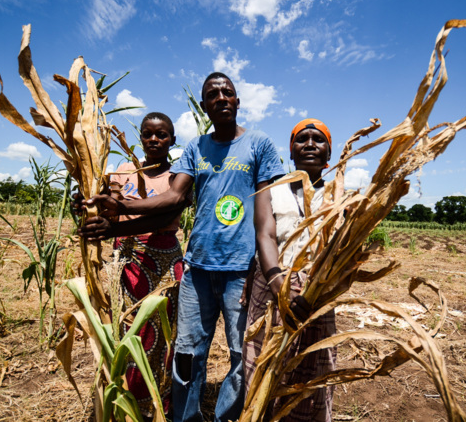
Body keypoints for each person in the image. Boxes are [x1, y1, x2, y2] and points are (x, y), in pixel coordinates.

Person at [79, 72, 285, 422]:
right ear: (204, 106)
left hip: (240, 271)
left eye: (228, 92)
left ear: (237, 100)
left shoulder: (259, 144)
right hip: (197, 270)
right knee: (188, 353)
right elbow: (174, 197)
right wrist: (119, 208)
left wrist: (268, 270)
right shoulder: (195, 148)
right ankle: (186, 418)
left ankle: (226, 417)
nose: (221, 98)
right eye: (212, 95)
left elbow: (267, 215)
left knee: (239, 353)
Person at [77, 112, 184, 417]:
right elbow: (110, 209)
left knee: (163, 333)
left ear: (172, 140)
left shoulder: (177, 176)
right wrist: (88, 205)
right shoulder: (122, 171)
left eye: (161, 135)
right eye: (148, 134)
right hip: (127, 262)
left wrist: (114, 225)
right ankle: (128, 400)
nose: (154, 140)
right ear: (140, 138)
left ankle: (159, 402)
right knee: (128, 329)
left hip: (163, 261)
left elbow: (166, 216)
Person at [244, 118, 337, 422]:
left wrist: (313, 292)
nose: (310, 144)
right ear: (291, 151)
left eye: (318, 139)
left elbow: (341, 250)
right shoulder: (271, 189)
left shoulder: (340, 196)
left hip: (318, 293)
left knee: (310, 373)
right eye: (302, 139)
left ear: (329, 153)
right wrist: (278, 285)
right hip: (272, 285)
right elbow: (265, 235)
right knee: (264, 366)